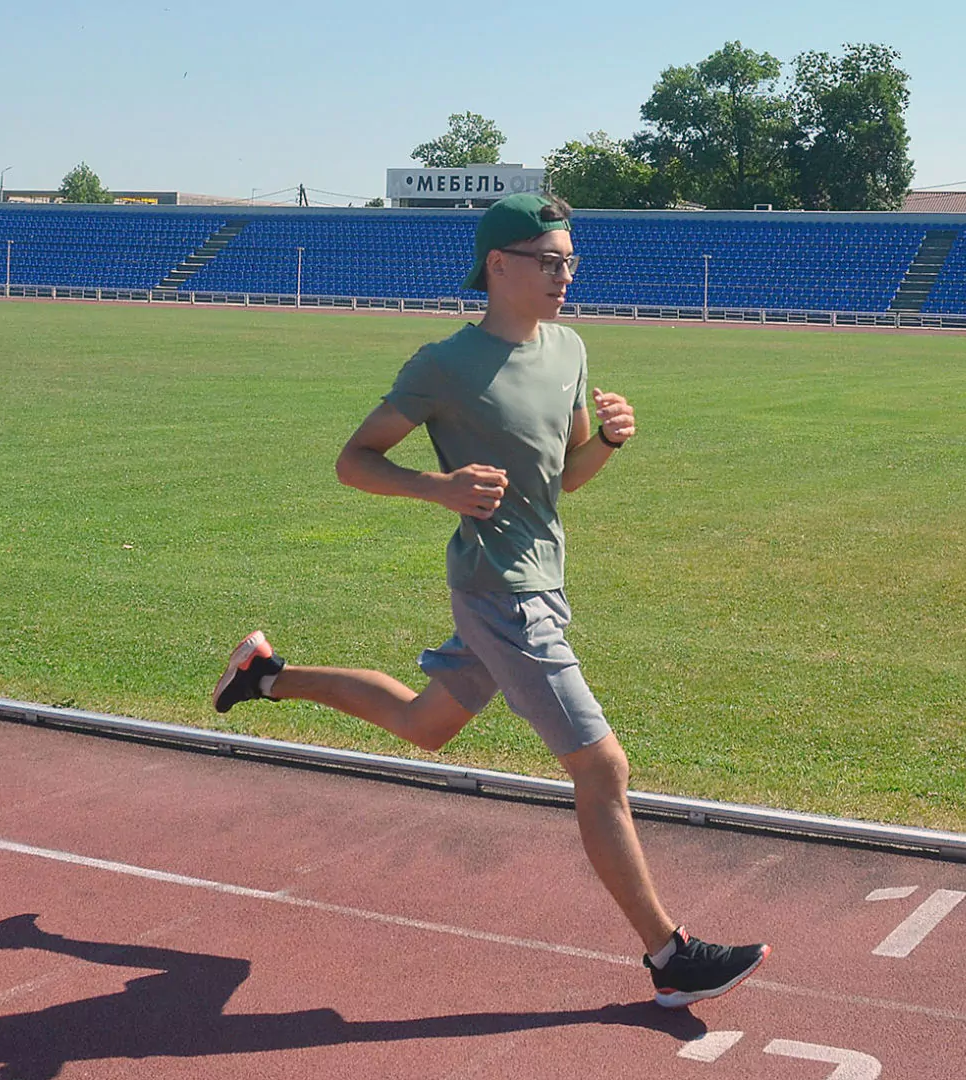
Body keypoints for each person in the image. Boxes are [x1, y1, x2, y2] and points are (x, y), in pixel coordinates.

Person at [213, 192, 768, 1008]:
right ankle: (668, 956)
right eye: (550, 261)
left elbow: (564, 478)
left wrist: (608, 441)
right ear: (498, 267)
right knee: (600, 765)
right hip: (500, 592)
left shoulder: (572, 348)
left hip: (543, 577)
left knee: (424, 725)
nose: (565, 275)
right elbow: (353, 461)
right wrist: (438, 486)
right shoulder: (442, 365)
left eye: (570, 261)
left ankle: (264, 673)